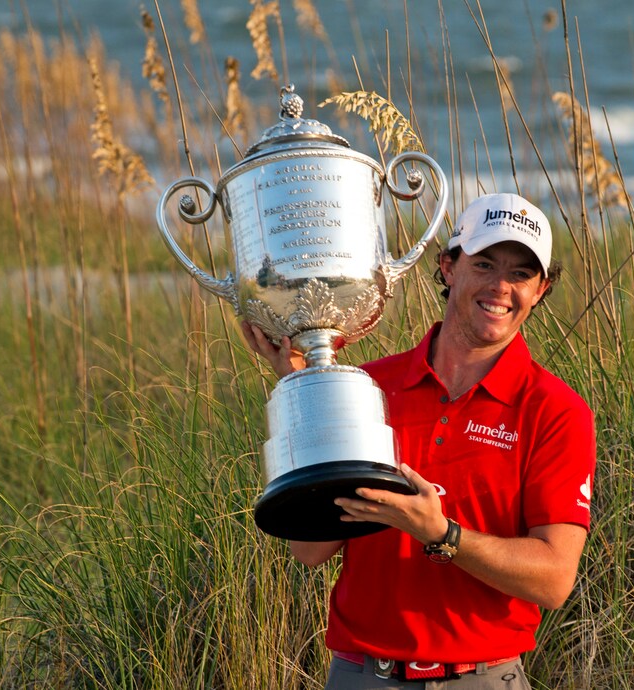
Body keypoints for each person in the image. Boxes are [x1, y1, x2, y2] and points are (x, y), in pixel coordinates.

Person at [242, 193, 597, 689]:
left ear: (541, 289)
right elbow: (311, 548)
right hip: (362, 675)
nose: (501, 286)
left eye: (521, 273)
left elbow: (555, 579)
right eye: (485, 263)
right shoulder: (366, 388)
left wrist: (443, 535)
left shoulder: (556, 411)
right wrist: (307, 395)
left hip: (483, 678)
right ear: (448, 267)